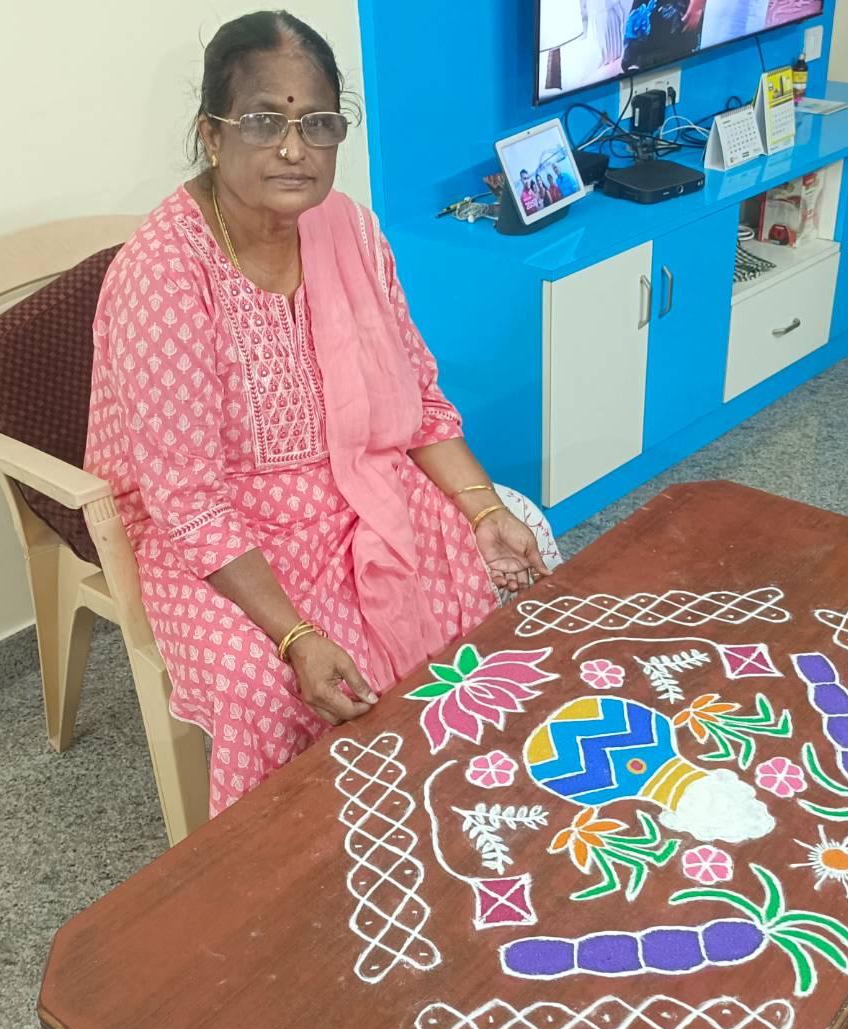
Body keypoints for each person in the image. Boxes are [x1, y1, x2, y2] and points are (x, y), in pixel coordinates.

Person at [84, 12, 558, 816]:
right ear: (211, 133)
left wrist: (480, 510)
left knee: (492, 555)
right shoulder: (165, 277)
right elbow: (189, 504)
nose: (296, 149)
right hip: (213, 534)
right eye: (266, 121)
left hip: (354, 482)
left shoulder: (349, 229)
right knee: (263, 688)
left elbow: (420, 401)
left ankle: (460, 801)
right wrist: (296, 636)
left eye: (320, 123)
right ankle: (306, 858)